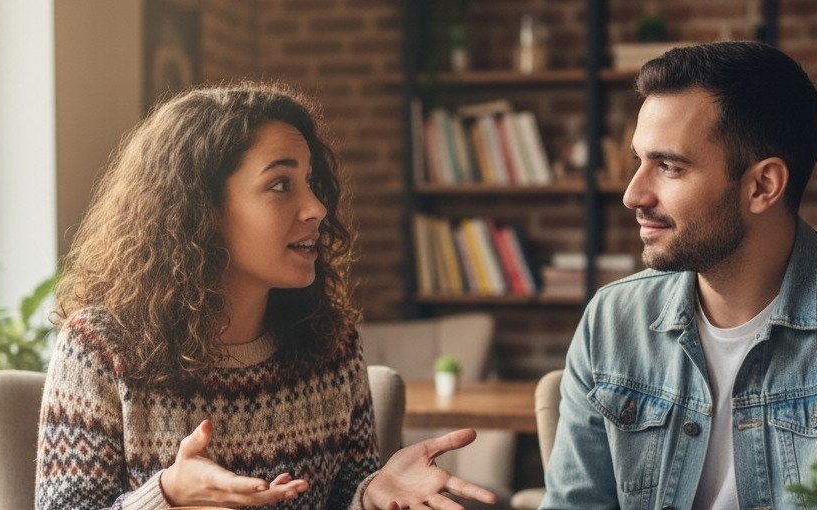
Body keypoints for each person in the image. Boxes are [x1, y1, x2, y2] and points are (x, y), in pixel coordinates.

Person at [35, 81, 498, 510]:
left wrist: (371, 494)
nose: (316, 207)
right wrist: (167, 497)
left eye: (311, 182)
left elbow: (341, 497)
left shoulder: (331, 346)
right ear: (202, 210)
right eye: (280, 185)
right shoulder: (99, 348)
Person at [541, 41, 817, 509]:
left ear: (762, 186)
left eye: (668, 167)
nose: (633, 194)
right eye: (639, 161)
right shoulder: (612, 319)